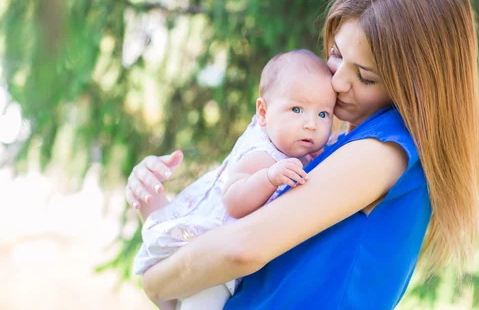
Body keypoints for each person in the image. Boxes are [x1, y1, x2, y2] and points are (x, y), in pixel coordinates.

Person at [125, 0, 479, 309]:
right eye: (336, 55)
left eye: (366, 77)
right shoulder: (340, 142)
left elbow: (242, 248)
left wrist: (155, 280)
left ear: (416, 85)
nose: (339, 81)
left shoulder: (384, 149)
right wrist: (159, 214)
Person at [129, 49, 337, 309]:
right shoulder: (262, 156)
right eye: (296, 109)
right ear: (263, 113)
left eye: (323, 114)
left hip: (224, 256)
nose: (311, 124)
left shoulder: (292, 141)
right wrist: (269, 178)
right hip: (211, 255)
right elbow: (234, 201)